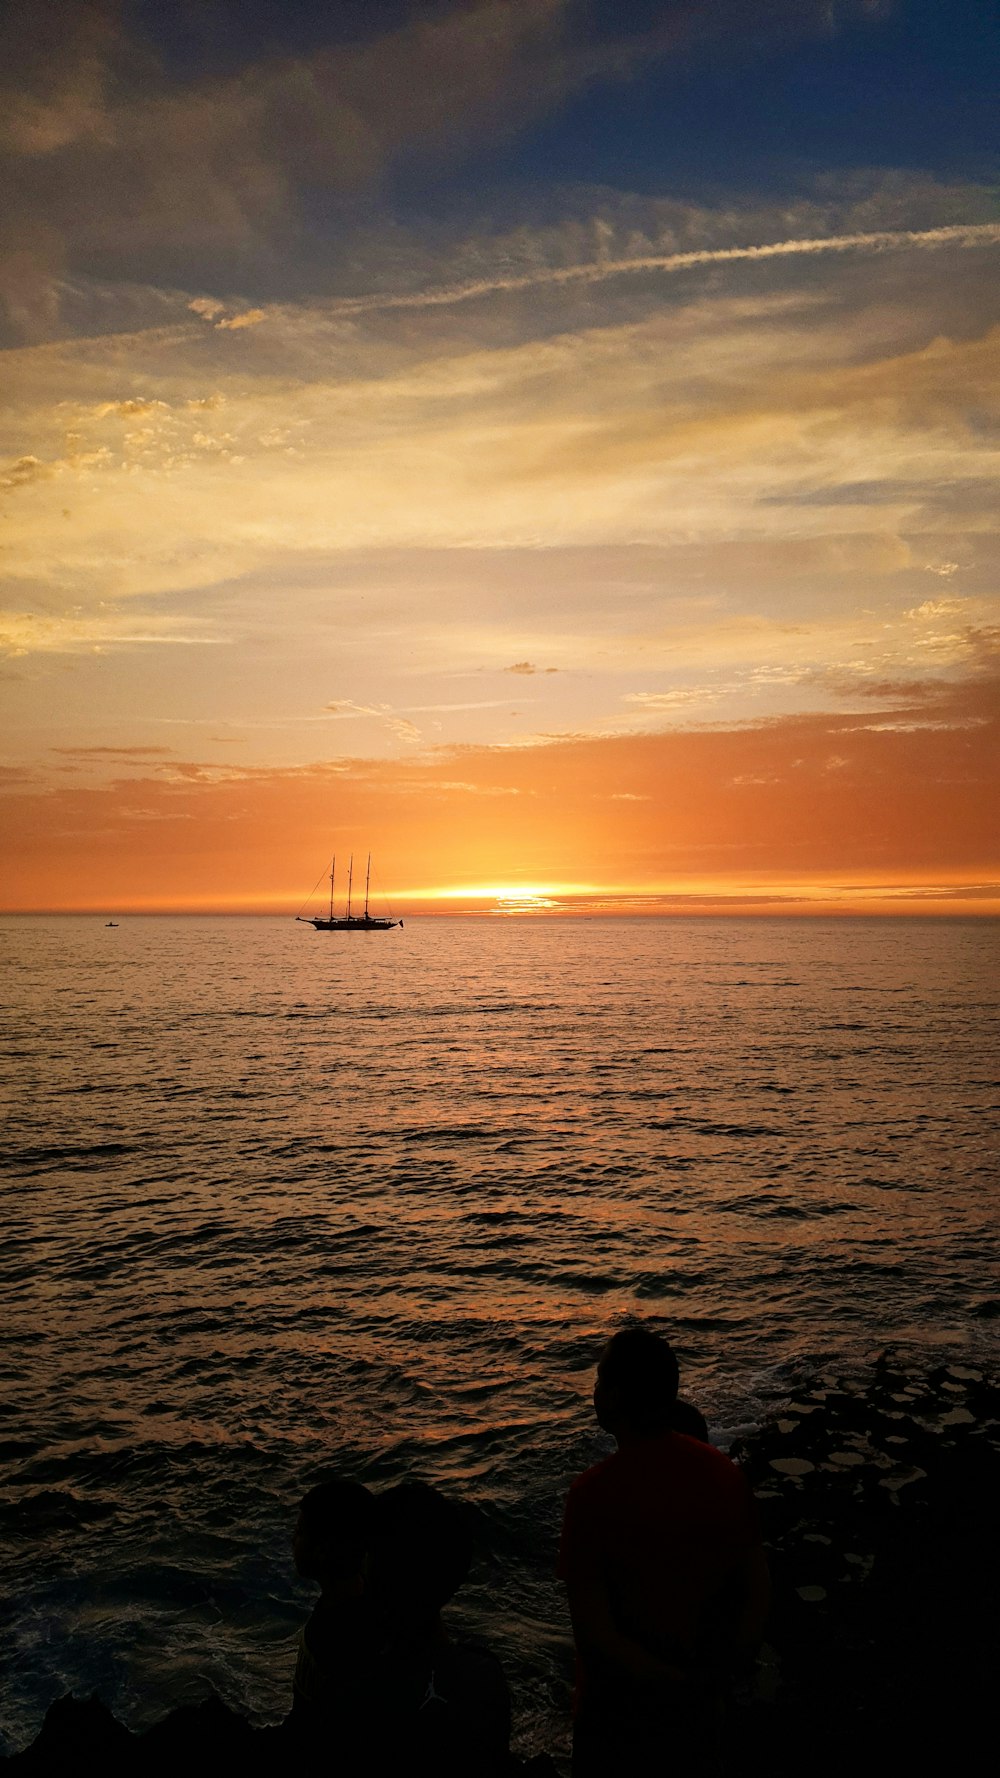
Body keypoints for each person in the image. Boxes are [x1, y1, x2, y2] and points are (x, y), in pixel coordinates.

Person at [558, 1327, 770, 1775]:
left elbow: (596, 1637)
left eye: (599, 1381)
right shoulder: (724, 1474)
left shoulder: (592, 1495)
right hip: (705, 1707)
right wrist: (716, 1681)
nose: (593, 1391)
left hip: (619, 1718)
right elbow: (755, 1592)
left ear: (615, 1398)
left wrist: (676, 1687)